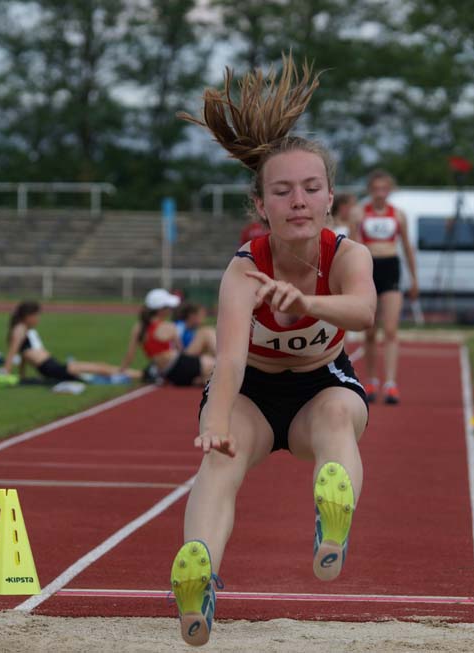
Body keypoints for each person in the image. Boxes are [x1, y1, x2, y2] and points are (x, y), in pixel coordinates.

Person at [171, 56, 376, 646]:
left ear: (330, 198)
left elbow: (363, 311)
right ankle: (197, 576)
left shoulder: (348, 255)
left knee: (340, 416)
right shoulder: (243, 271)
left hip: (321, 383)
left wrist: (307, 302)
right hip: (252, 394)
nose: (298, 201)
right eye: (282, 192)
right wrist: (215, 422)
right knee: (220, 461)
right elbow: (231, 360)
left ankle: (332, 520)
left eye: (311, 189)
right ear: (261, 206)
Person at [349, 169, 417, 404]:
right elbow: (351, 247)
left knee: (390, 330)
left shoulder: (398, 215)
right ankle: (371, 380)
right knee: (369, 330)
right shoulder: (359, 213)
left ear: (390, 191)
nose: (380, 193)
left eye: (384, 189)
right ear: (370, 190)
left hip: (391, 268)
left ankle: (390, 383)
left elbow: (407, 246)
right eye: (376, 189)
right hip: (368, 268)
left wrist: (415, 279)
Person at [5, 300, 141, 384]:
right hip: (53, 369)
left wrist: (22, 376)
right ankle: (140, 375)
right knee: (100, 368)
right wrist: (7, 373)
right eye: (36, 315)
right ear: (28, 316)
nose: (38, 319)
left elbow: (23, 356)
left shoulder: (22, 329)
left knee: (100, 368)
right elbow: (12, 353)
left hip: (53, 367)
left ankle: (137, 374)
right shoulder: (20, 329)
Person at [120, 289, 214, 387]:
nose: (170, 310)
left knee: (208, 369)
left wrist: (122, 371)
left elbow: (130, 354)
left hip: (167, 373)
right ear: (161, 310)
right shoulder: (168, 327)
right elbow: (181, 351)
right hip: (179, 365)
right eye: (169, 307)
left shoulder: (139, 327)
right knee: (214, 365)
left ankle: (199, 379)